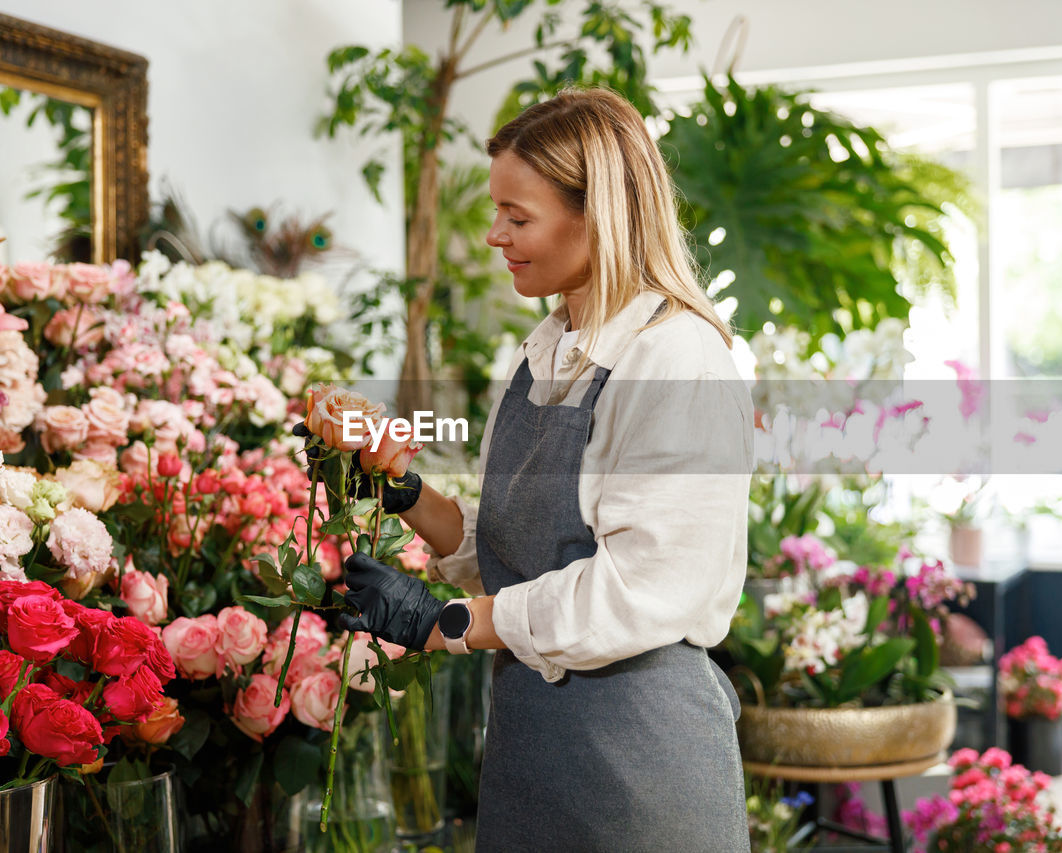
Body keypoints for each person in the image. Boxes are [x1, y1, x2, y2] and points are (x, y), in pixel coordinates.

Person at [313, 88, 753, 852]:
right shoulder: (544, 351)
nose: (494, 235)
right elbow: (511, 552)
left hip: (640, 771)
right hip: (531, 754)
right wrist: (400, 490)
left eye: (518, 217)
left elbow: (633, 590)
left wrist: (441, 622)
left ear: (599, 214)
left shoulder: (676, 358)